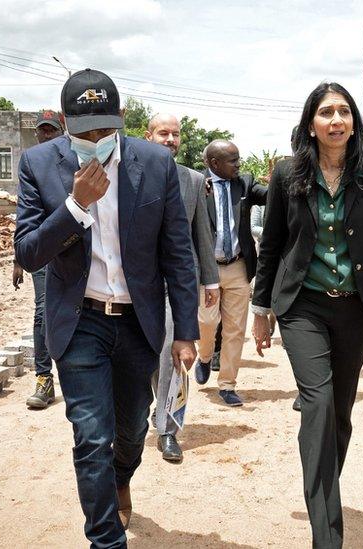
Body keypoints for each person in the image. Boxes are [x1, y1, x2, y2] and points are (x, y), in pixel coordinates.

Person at [14, 69, 199, 547]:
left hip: (139, 322)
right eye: (85, 131)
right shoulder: (38, 164)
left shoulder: (155, 163)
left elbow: (177, 251)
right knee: (92, 437)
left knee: (133, 431)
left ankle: (122, 476)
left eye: (105, 129)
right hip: (80, 323)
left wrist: (185, 330)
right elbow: (29, 252)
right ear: (67, 124)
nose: (96, 139)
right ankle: (105, 539)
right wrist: (76, 205)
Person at [251, 82, 363, 549]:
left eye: (344, 112)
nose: (336, 120)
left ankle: (323, 491)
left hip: (357, 309)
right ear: (311, 124)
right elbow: (273, 245)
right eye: (326, 113)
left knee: (339, 416)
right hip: (304, 305)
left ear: (354, 122)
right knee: (317, 404)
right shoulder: (287, 174)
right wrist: (262, 310)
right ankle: (328, 534)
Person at [144, 113, 220, 462]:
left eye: (175, 134)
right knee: (146, 354)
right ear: (148, 136)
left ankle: (169, 429)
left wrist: (210, 279)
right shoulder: (133, 175)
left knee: (175, 353)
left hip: (180, 282)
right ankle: (151, 410)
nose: (171, 139)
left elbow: (201, 233)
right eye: (163, 133)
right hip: (140, 283)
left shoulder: (193, 180)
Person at [194, 139, 267, 407]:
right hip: (208, 269)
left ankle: (227, 384)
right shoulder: (196, 183)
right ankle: (204, 356)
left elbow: (270, 194)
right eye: (233, 160)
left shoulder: (244, 183)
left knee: (235, 329)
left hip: (238, 266)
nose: (239, 164)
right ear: (214, 164)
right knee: (206, 322)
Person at [14, 109, 64, 410]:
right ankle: (44, 380)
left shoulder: (71, 161)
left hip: (73, 250)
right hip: (43, 253)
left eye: (51, 130)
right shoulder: (32, 164)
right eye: (42, 131)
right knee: (42, 312)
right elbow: (24, 218)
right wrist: (18, 259)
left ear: (61, 132)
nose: (46, 135)